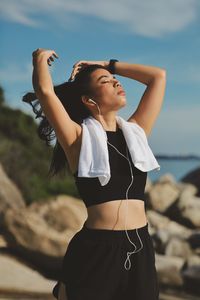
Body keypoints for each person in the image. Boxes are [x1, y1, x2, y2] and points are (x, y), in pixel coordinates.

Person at [23, 48, 166, 300]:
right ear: (89, 101)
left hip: (141, 245)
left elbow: (158, 77)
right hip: (98, 251)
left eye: (113, 79)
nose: (116, 82)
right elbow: (46, 93)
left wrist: (107, 65)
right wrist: (39, 61)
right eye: (106, 82)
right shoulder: (78, 138)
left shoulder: (136, 133)